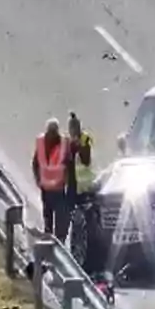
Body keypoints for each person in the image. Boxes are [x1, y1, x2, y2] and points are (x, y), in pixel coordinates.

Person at [66, 112, 103, 276]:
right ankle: (77, 255)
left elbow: (86, 160)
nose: (71, 132)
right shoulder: (70, 142)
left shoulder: (84, 140)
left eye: (72, 128)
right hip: (75, 189)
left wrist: (77, 147)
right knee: (77, 225)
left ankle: (92, 259)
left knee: (90, 225)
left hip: (87, 189)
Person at [32, 117, 70, 241]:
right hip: (49, 187)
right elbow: (36, 163)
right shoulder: (43, 143)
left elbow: (68, 163)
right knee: (49, 216)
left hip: (56, 187)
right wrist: (38, 179)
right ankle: (51, 239)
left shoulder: (63, 143)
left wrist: (66, 180)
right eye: (51, 131)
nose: (52, 134)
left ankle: (57, 240)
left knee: (56, 217)